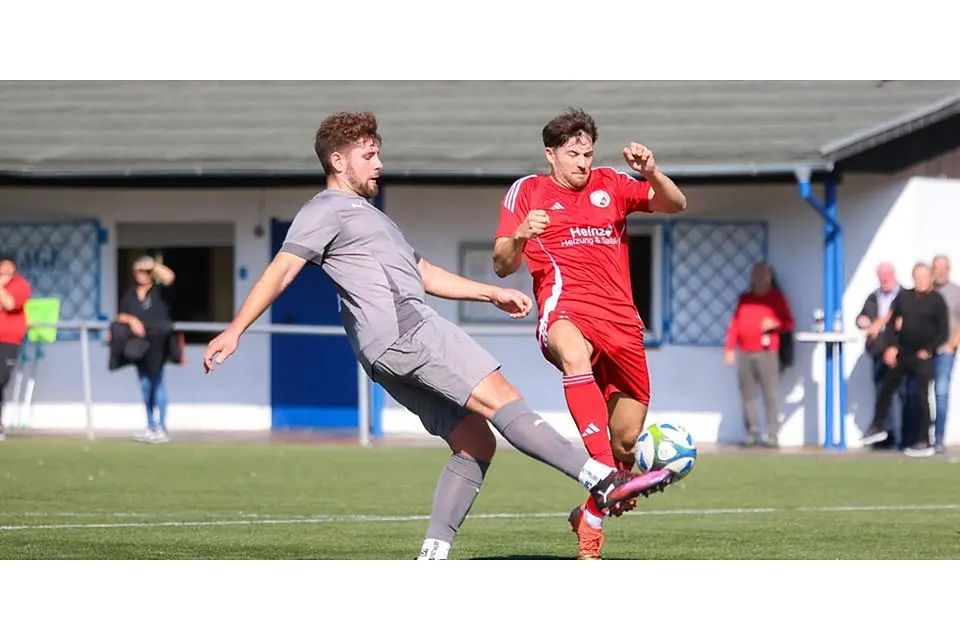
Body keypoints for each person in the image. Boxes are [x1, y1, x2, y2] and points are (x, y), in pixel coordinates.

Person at [201, 111, 674, 561]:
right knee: (503, 398)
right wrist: (236, 328)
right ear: (338, 161)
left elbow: (422, 272)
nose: (379, 163)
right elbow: (285, 267)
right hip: (409, 330)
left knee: (475, 443)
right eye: (368, 155)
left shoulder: (371, 217)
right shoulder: (327, 208)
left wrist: (489, 293)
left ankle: (433, 555)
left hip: (380, 355)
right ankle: (601, 478)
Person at [491, 107, 686, 559]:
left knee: (626, 442)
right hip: (567, 309)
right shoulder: (528, 191)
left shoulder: (613, 184)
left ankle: (590, 509)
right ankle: (599, 478)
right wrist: (520, 234)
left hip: (623, 323)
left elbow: (676, 204)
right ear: (551, 154)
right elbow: (502, 265)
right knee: (573, 355)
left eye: (588, 153)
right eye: (573, 153)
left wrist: (652, 172)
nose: (582, 162)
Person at [861, 262, 948, 457]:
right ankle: (878, 426)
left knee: (920, 396)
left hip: (923, 355)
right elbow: (892, 324)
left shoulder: (936, 300)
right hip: (904, 352)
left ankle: (925, 440)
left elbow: (943, 332)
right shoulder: (904, 297)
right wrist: (891, 346)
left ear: (930, 278)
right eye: (917, 277)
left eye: (924, 277)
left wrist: (929, 349)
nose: (921, 281)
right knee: (886, 386)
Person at [724, 262, 795, 448]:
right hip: (744, 351)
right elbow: (735, 324)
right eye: (757, 275)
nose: (760, 278)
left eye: (764, 275)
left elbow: (789, 323)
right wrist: (729, 349)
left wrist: (775, 324)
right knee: (747, 395)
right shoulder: (745, 298)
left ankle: (773, 435)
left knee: (770, 394)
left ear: (770, 277)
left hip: (767, 353)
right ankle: (752, 432)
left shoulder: (776, 298)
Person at [117, 255, 176, 444]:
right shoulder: (130, 294)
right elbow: (120, 315)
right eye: (138, 271)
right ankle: (150, 425)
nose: (141, 274)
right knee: (145, 385)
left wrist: (153, 265)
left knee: (157, 383)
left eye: (144, 271)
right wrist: (132, 321)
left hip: (158, 343)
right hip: (138, 346)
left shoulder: (159, 291)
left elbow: (169, 278)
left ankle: (161, 427)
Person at [856, 262, 905, 449]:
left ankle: (906, 436)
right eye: (881, 276)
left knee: (903, 394)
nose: (885, 279)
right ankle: (886, 436)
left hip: (898, 352)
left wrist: (885, 324)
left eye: (888, 276)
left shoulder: (904, 296)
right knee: (882, 395)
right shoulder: (873, 297)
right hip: (877, 352)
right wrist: (863, 322)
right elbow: (861, 318)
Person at [0, 255, 31, 442]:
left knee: (1, 377)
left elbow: (10, 304)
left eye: (9, 270)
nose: (6, 273)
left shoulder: (20, 285)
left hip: (9, 340)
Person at [932, 255, 960, 454]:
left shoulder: (955, 292)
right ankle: (919, 437)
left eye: (943, 268)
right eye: (936, 268)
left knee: (941, 393)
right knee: (918, 393)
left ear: (948, 269)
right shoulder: (925, 291)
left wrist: (953, 344)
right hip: (924, 351)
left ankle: (939, 437)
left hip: (945, 351)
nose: (939, 271)